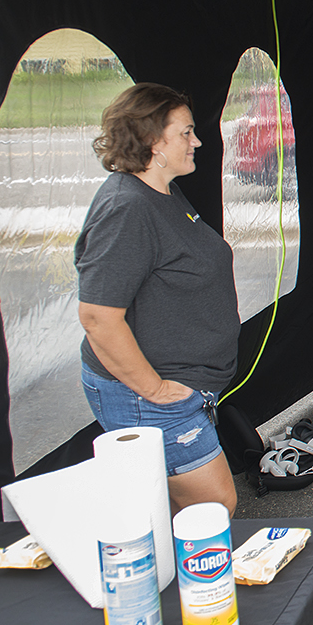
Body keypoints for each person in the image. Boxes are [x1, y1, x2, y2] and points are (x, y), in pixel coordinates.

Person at [75, 83, 241, 515]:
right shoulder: (127, 208)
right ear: (153, 140)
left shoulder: (163, 191)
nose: (197, 141)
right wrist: (155, 390)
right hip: (149, 395)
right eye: (186, 132)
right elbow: (97, 316)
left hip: (186, 386)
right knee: (213, 505)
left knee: (177, 511)